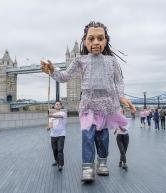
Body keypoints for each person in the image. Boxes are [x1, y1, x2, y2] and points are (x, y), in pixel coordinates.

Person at [40, 21, 136, 182]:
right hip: (87, 105)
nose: (96, 43)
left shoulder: (112, 61)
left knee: (103, 137)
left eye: (100, 38)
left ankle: (102, 163)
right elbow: (65, 77)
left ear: (106, 40)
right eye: (91, 39)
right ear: (85, 41)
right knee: (87, 136)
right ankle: (87, 167)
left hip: (107, 106)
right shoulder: (80, 60)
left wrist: (121, 96)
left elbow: (119, 81)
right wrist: (52, 71)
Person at [48, 101, 67, 171]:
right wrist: (48, 127)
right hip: (53, 135)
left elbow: (60, 116)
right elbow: (50, 124)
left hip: (61, 134)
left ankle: (60, 164)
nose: (58, 105)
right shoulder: (51, 115)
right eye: (56, 104)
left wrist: (51, 115)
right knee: (54, 150)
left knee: (60, 150)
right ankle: (56, 161)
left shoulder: (63, 113)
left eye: (59, 104)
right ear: (54, 106)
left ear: (61, 106)